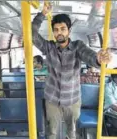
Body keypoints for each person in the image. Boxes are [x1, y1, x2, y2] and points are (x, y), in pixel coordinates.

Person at [32, 2, 112, 139]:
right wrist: (42, 14)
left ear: (69, 30)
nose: (59, 32)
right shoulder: (48, 47)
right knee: (51, 132)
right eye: (56, 30)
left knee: (71, 131)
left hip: (72, 99)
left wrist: (98, 58)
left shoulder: (77, 47)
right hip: (52, 99)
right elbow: (31, 34)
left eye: (63, 29)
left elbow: (90, 56)